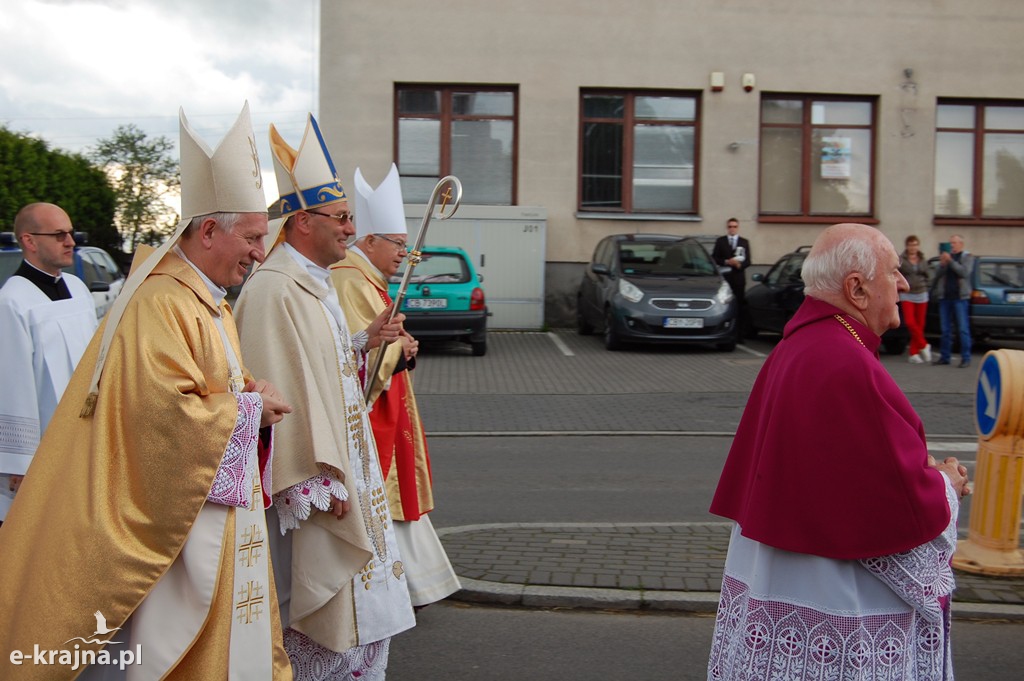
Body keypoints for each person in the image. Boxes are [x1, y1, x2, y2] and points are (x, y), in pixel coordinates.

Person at [0, 103, 295, 680]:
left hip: (208, 507)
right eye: (255, 237)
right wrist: (251, 409)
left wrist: (244, 390)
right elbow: (162, 415)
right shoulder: (162, 300)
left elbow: (204, 386)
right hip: (174, 518)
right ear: (209, 230)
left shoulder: (202, 293)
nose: (261, 252)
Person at [707, 223, 970, 681]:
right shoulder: (844, 361)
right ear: (857, 288)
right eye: (893, 273)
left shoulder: (803, 345)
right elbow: (893, 503)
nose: (905, 283)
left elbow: (858, 469)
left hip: (783, 571)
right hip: (834, 593)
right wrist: (946, 484)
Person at [235, 115, 416, 680]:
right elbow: (277, 388)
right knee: (320, 625)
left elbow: (324, 369)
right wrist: (311, 482)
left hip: (348, 474)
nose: (349, 230)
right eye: (340, 219)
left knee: (361, 628)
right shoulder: (274, 290)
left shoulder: (315, 283)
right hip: (318, 486)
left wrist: (365, 341)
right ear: (303, 222)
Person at [331, 164, 461, 607]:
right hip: (372, 411)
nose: (405, 254)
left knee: (397, 491)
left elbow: (380, 337)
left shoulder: (370, 279)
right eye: (399, 245)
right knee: (381, 492)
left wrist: (403, 344)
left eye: (407, 245)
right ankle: (393, 587)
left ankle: (410, 584)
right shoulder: (349, 278)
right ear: (369, 241)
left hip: (391, 401)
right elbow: (353, 347)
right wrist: (394, 349)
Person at [0, 202, 97, 522]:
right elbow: (11, 384)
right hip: (42, 452)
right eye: (59, 235)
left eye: (70, 233)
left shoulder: (78, 289)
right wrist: (20, 463)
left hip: (85, 442)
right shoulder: (12, 301)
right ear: (29, 241)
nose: (70, 241)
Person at [933, 234, 975, 368]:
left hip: (960, 298)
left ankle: (966, 358)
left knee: (962, 329)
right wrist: (942, 264)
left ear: (961, 244)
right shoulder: (947, 258)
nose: (952, 245)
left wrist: (950, 261)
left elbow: (964, 273)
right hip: (945, 297)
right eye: (951, 243)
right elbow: (937, 275)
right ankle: (945, 357)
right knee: (945, 330)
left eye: (955, 243)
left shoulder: (967, 257)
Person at [899, 234, 933, 364]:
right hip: (907, 294)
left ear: (918, 246)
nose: (913, 247)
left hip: (921, 293)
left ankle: (913, 353)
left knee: (920, 324)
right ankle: (924, 345)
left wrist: (927, 285)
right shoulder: (901, 260)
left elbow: (929, 275)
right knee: (910, 322)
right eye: (910, 245)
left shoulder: (922, 259)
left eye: (915, 245)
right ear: (907, 246)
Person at [711, 217, 751, 302]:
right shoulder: (721, 241)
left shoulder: (744, 242)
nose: (732, 229)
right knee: (724, 301)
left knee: (739, 301)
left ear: (738, 228)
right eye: (730, 226)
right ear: (727, 228)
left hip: (739, 278)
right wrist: (727, 261)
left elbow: (748, 261)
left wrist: (739, 265)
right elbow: (714, 258)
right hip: (725, 277)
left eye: (735, 226)